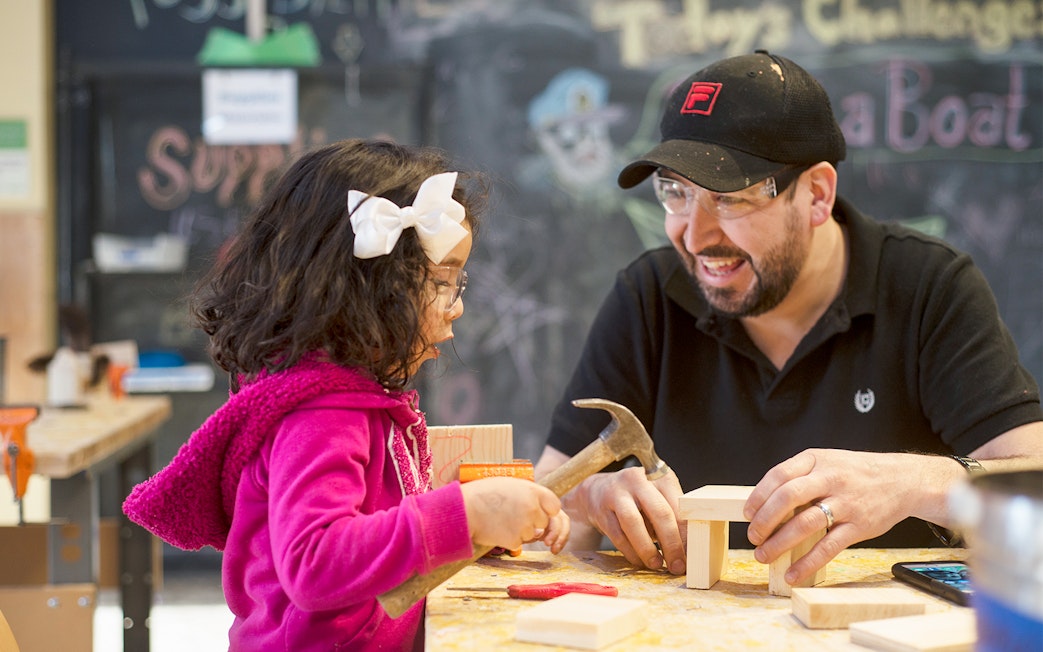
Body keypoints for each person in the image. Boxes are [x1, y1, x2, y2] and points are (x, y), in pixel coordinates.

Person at [533, 51, 1043, 588]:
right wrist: (589, 497)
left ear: (817, 194)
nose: (695, 234)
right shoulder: (649, 297)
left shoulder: (928, 288)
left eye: (729, 198)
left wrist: (914, 482)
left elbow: (1034, 487)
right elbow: (542, 495)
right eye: (676, 193)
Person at [124, 139, 570, 651]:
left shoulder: (355, 400)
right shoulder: (321, 416)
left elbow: (375, 531)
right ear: (372, 288)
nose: (456, 308)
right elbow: (315, 561)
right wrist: (467, 512)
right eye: (443, 282)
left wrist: (482, 525)